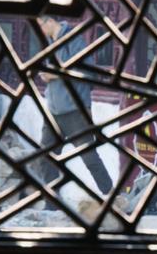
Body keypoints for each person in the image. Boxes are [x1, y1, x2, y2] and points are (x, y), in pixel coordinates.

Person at [37, 16, 113, 207]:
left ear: (50, 21)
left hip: (75, 110)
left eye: (40, 26)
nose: (40, 31)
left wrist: (55, 74)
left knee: (89, 158)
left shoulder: (73, 40)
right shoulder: (50, 43)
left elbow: (87, 72)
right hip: (54, 110)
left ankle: (111, 196)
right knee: (46, 157)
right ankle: (51, 204)